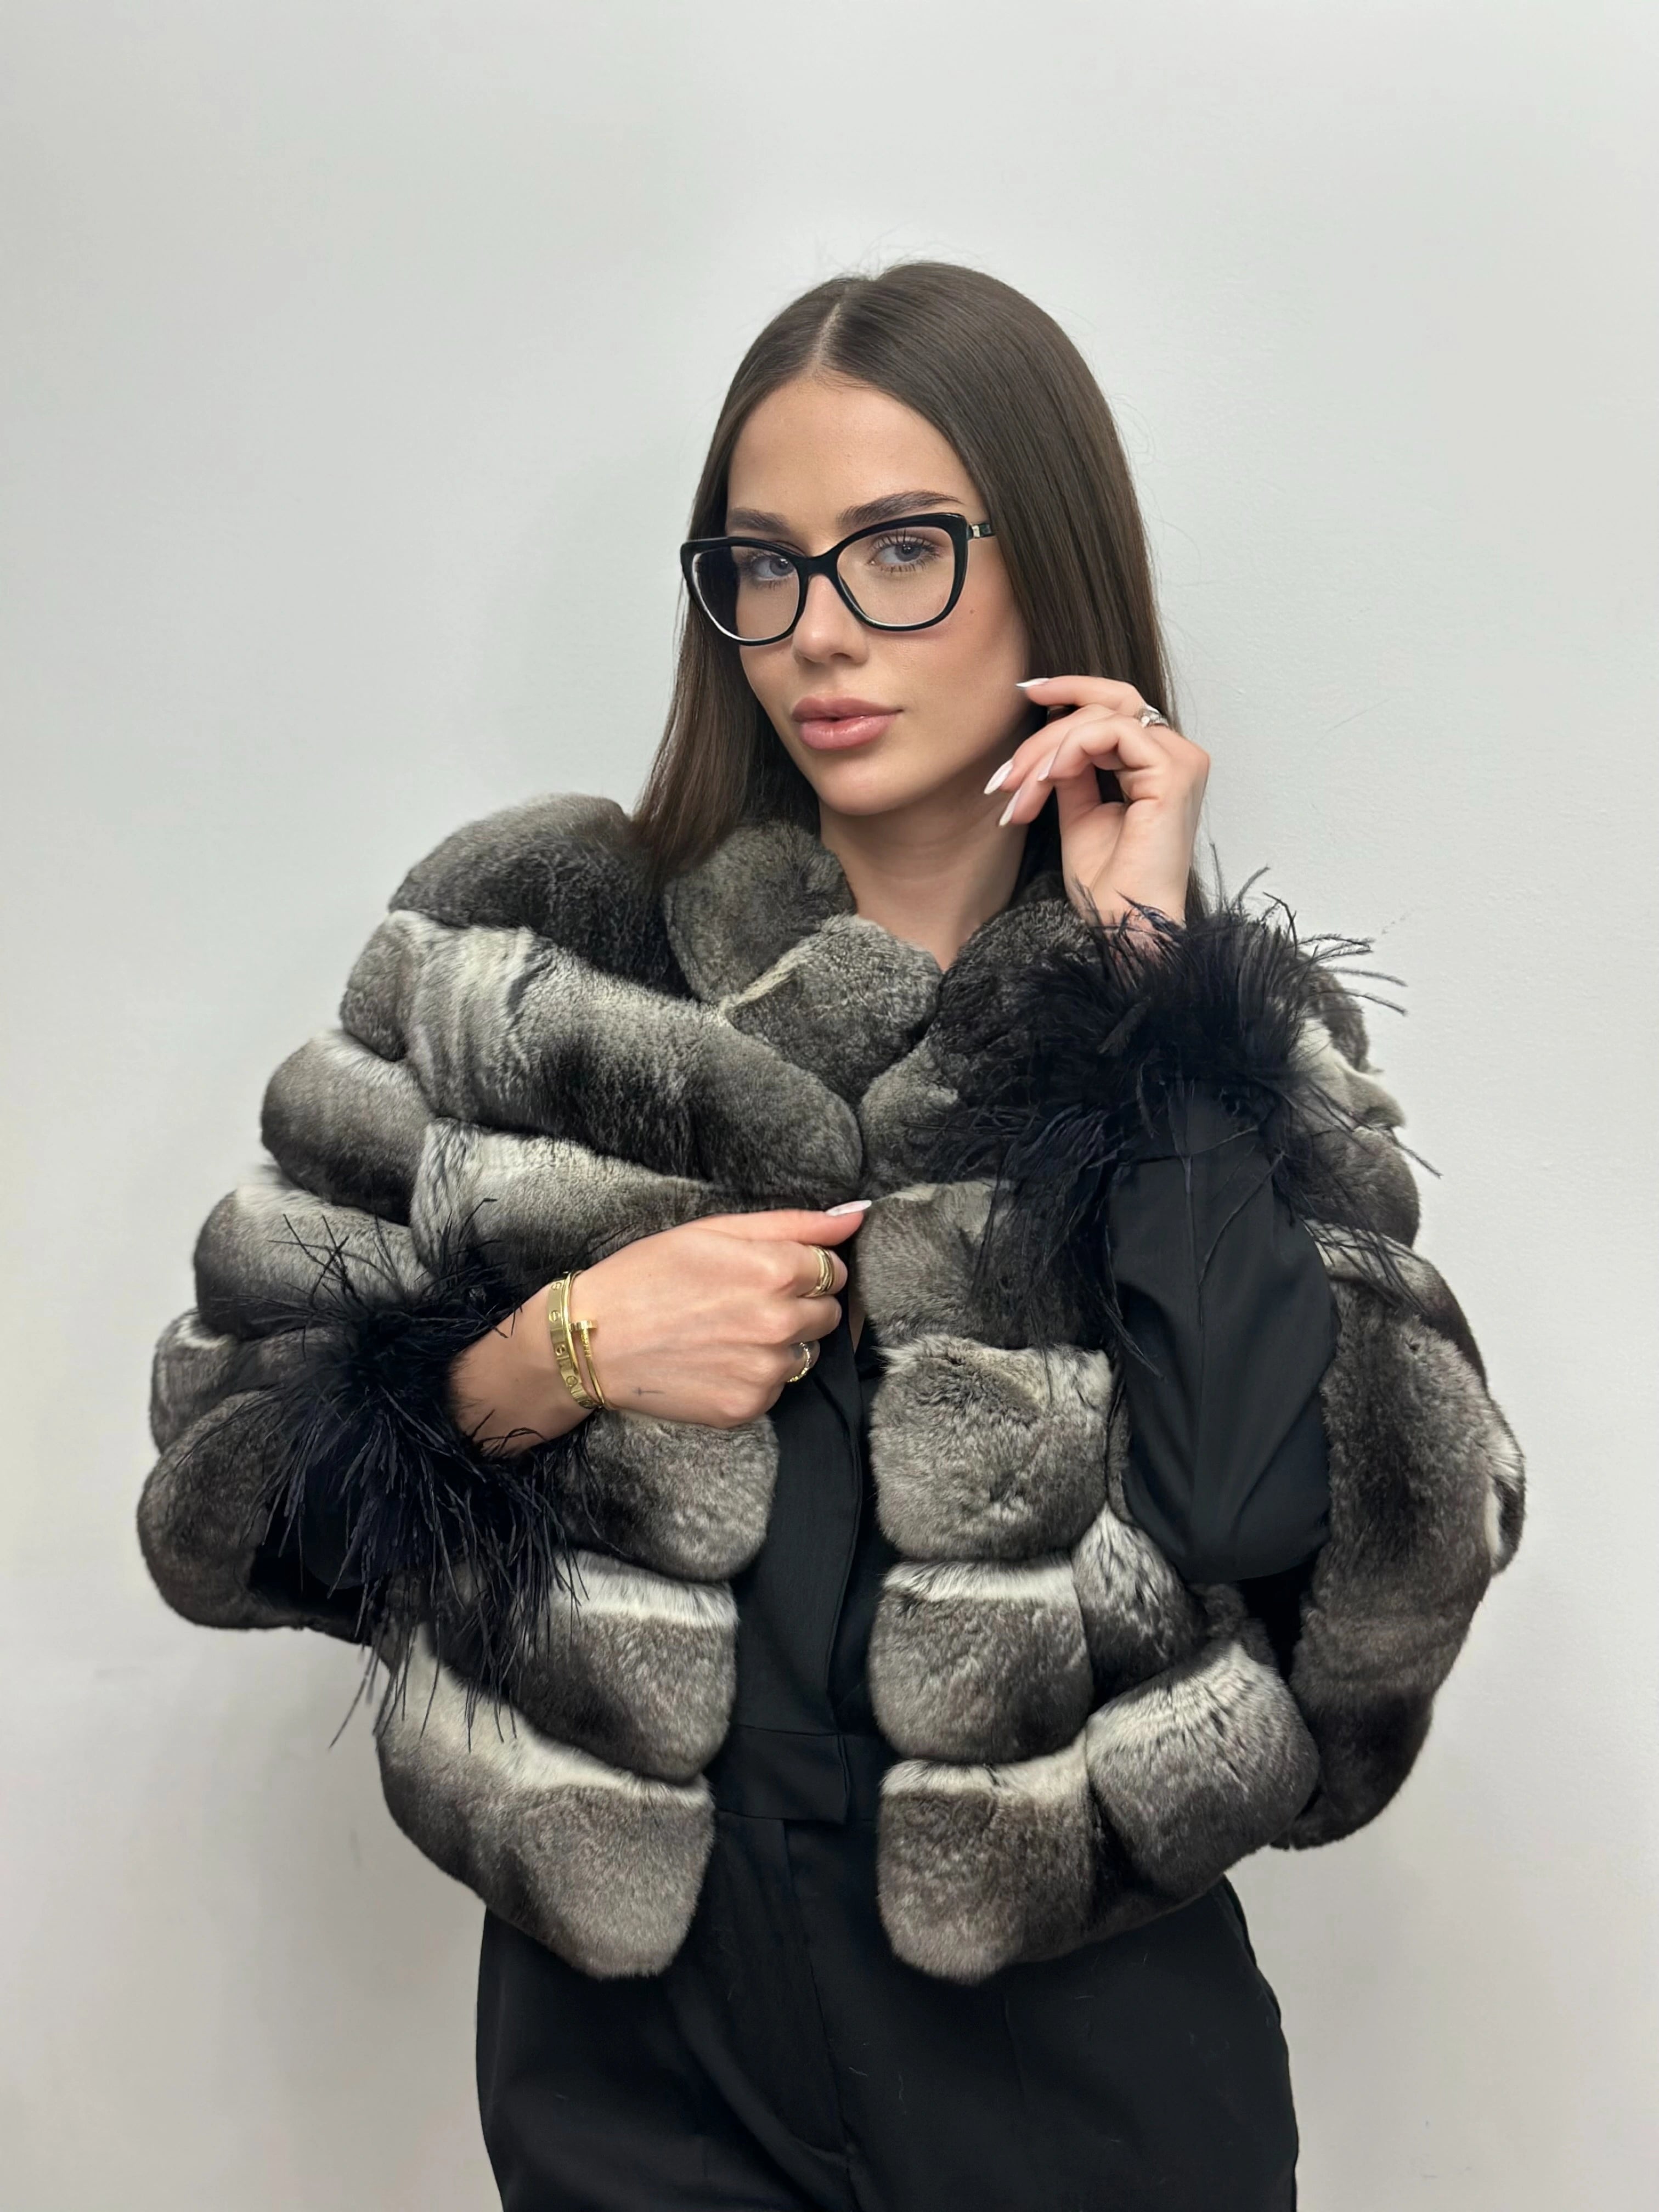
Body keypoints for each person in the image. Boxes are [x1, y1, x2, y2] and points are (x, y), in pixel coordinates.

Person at [138, 261, 1525, 2212]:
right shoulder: (519, 961)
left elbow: (1320, 1549)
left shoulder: (1220, 1039)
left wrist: (1147, 992)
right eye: (763, 565)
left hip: (1084, 2074)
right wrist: (560, 1353)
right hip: (635, 2065)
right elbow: (225, 1502)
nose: (818, 631)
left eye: (901, 550)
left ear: (1051, 565)